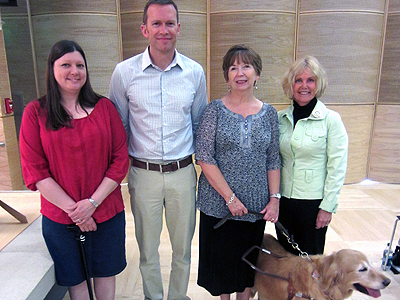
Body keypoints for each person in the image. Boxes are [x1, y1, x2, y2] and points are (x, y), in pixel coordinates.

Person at [108, 0, 207, 299]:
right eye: (156, 24)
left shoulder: (194, 72)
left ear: (178, 27)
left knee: (183, 249)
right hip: (143, 174)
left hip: (182, 173)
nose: (163, 30)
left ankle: (178, 297)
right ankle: (153, 297)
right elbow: (119, 128)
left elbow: (200, 123)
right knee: (147, 251)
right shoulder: (124, 73)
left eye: (169, 23)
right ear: (144, 29)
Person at [19, 40, 129, 300]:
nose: (74, 71)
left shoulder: (104, 108)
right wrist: (78, 213)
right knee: (76, 281)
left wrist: (92, 203)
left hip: (106, 211)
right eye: (66, 64)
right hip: (60, 218)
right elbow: (36, 171)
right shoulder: (35, 113)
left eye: (80, 65)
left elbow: (120, 160)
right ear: (52, 69)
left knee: (105, 274)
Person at [195, 45, 281, 300]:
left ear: (257, 74)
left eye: (246, 66)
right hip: (219, 205)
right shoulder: (214, 110)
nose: (240, 72)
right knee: (222, 269)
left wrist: (275, 199)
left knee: (247, 268)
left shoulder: (269, 114)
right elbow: (204, 157)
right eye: (233, 67)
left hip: (255, 206)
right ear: (227, 75)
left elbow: (273, 158)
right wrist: (230, 199)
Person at [277, 55, 348, 255]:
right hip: (284, 202)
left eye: (310, 80)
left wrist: (328, 206)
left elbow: (337, 167)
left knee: (310, 263)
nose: (303, 86)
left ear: (318, 84)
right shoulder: (279, 119)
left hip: (313, 204)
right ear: (290, 84)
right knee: (285, 261)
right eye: (298, 80)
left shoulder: (331, 120)